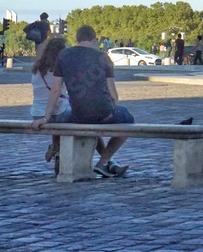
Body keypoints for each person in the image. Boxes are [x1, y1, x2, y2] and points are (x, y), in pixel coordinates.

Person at [30, 25, 132, 178]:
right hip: (103, 112)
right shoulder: (104, 57)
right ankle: (103, 162)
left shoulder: (63, 56)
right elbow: (113, 95)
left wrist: (46, 117)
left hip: (78, 113)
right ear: (94, 39)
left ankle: (106, 162)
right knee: (128, 120)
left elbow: (56, 90)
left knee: (88, 121)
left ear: (77, 39)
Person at [31, 38, 105, 171]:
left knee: (62, 115)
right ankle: (106, 160)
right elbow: (59, 93)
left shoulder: (37, 69)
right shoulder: (61, 68)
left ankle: (56, 147)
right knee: (87, 120)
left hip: (36, 114)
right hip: (53, 114)